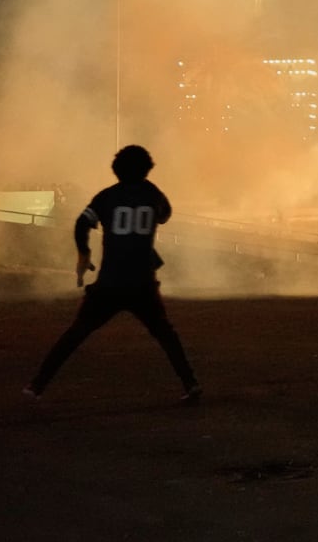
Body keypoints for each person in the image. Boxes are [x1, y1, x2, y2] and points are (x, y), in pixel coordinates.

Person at [23, 145, 201, 404]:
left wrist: (83, 254)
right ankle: (191, 383)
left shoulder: (107, 197)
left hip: (111, 283)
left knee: (76, 333)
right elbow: (165, 216)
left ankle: (37, 385)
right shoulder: (153, 194)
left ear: (117, 170)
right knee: (166, 335)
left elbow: (82, 223)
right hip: (142, 283)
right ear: (147, 169)